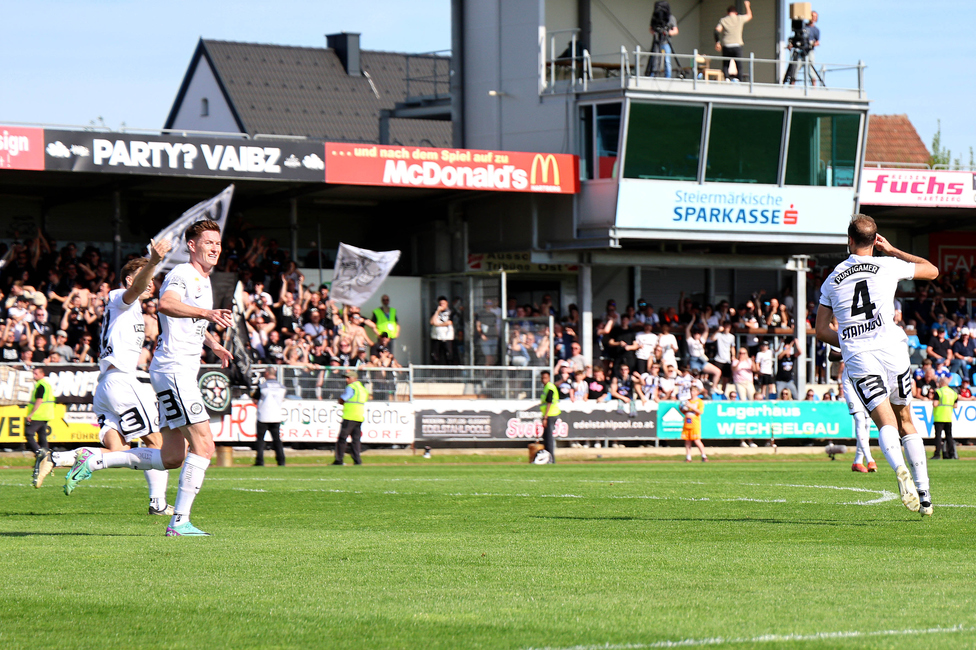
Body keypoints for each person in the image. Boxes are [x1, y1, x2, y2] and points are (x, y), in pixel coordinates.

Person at [66, 220, 233, 537]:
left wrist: (213, 343)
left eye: (218, 243)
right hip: (173, 371)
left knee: (171, 456)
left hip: (172, 370)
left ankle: (95, 460)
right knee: (205, 445)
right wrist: (207, 314)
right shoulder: (182, 273)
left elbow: (193, 322)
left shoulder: (203, 280)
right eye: (208, 242)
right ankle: (179, 522)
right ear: (192, 245)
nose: (214, 247)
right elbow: (168, 304)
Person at [816, 214, 939, 516]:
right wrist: (894, 251)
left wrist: (845, 339)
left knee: (885, 423)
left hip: (859, 353)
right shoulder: (888, 265)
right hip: (892, 348)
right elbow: (932, 271)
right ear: (875, 240)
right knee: (905, 419)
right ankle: (924, 494)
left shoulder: (832, 279)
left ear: (849, 240)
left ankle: (899, 468)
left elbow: (820, 330)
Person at [59, 240, 177, 518]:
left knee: (118, 449)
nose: (151, 285)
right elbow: (135, 288)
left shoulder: (135, 310)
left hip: (108, 384)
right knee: (157, 443)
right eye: (146, 278)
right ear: (128, 279)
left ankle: (62, 457)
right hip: (121, 381)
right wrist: (154, 261)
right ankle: (157, 503)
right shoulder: (119, 297)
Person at [26, 366, 55, 485]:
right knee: (42, 437)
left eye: (36, 373)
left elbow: (39, 400)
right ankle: (48, 461)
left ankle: (40, 454)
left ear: (42, 374)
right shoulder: (47, 384)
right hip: (46, 414)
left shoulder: (41, 385)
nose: (34, 376)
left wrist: (31, 414)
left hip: (39, 414)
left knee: (28, 433)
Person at [254, 367, 288, 467]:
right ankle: (281, 461)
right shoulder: (282, 387)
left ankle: (260, 461)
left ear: (267, 373)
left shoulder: (263, 386)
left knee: (260, 440)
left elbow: (255, 399)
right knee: (277, 440)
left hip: (263, 416)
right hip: (276, 416)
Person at [334, 369, 368, 466]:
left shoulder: (351, 387)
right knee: (356, 440)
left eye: (348, 377)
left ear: (354, 378)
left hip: (349, 416)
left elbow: (344, 398)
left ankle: (339, 460)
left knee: (342, 438)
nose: (347, 380)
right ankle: (357, 460)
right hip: (359, 416)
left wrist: (340, 401)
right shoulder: (362, 388)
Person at [714, 1, 752, 81]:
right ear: (736, 13)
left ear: (728, 13)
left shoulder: (723, 20)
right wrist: (747, 5)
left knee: (726, 65)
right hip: (737, 45)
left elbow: (716, 31)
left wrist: (717, 42)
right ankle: (740, 81)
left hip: (726, 45)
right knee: (739, 65)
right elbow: (749, 16)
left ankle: (727, 79)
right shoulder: (739, 18)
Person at [931, 376, 964, 461]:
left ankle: (937, 454)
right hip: (948, 417)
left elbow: (935, 404)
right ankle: (952, 454)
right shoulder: (953, 392)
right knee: (949, 436)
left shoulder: (939, 392)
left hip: (939, 417)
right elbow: (955, 405)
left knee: (938, 436)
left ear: (941, 383)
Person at [647, 0, 679, 78]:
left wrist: (667, 32)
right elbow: (651, 29)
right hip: (656, 41)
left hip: (666, 42)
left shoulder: (671, 18)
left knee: (667, 60)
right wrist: (655, 31)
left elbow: (676, 31)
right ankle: (653, 75)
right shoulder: (655, 18)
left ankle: (668, 76)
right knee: (654, 59)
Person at [680, 384, 708, 463]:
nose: (692, 393)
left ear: (697, 392)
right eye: (691, 391)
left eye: (694, 391)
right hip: (687, 422)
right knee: (687, 440)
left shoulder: (699, 401)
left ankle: (704, 455)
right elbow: (684, 411)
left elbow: (700, 412)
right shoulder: (687, 401)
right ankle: (688, 457)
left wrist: (691, 407)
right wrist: (682, 408)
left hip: (695, 423)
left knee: (696, 440)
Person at [539, 370, 560, 463]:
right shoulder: (546, 387)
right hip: (549, 414)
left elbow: (549, 402)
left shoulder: (550, 387)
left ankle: (551, 459)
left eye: (545, 378)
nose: (544, 380)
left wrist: (545, 417)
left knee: (549, 439)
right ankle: (548, 458)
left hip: (551, 415)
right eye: (542, 378)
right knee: (546, 437)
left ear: (549, 378)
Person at [430, 296, 455, 365]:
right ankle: (435, 373)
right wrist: (437, 311)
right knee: (435, 356)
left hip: (447, 337)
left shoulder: (451, 312)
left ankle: (450, 373)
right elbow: (432, 322)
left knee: (448, 355)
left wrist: (438, 324)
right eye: (440, 304)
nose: (442, 305)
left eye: (443, 303)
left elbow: (449, 322)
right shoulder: (435, 312)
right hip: (436, 336)